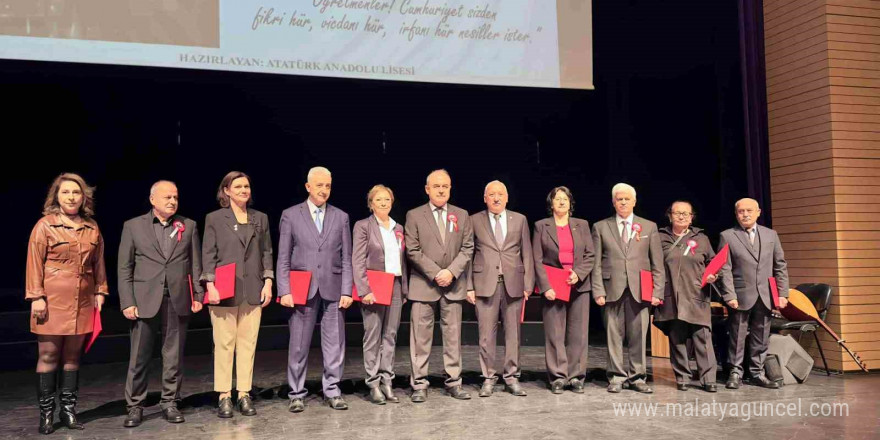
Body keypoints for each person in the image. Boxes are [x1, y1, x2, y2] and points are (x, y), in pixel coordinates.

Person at [26, 173, 109, 434]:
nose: (71, 197)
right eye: (66, 192)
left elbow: (99, 263)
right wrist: (36, 296)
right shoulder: (44, 226)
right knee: (49, 355)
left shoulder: (92, 227)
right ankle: (47, 414)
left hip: (82, 300)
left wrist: (100, 291)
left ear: (83, 197)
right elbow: (34, 263)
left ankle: (68, 410)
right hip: (50, 300)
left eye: (76, 192)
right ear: (57, 197)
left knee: (73, 357)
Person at [118, 180, 204, 427]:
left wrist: (198, 295)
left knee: (173, 355)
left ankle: (170, 402)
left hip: (177, 298)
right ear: (152, 199)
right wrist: (127, 301)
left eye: (175, 197)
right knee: (139, 356)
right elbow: (124, 268)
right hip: (144, 300)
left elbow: (194, 264)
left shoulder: (188, 226)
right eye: (167, 197)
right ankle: (135, 405)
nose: (172, 201)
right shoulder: (133, 226)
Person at [276, 166, 353, 412]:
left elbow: (347, 258)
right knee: (298, 343)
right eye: (319, 185)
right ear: (308, 187)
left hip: (333, 287)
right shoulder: (290, 215)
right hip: (302, 289)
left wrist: (347, 291)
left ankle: (333, 390)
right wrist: (284, 289)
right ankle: (296, 392)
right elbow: (283, 257)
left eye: (328, 186)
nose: (324, 190)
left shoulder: (340, 217)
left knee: (335, 343)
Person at [201, 172, 274, 417]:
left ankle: (244, 393)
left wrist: (268, 281)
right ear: (227, 191)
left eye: (247, 186)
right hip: (224, 290)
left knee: (247, 344)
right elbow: (208, 254)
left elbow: (267, 252)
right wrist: (209, 285)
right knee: (224, 344)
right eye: (238, 186)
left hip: (253, 289)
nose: (244, 190)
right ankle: (224, 395)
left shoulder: (260, 218)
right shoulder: (214, 218)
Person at [405, 169, 474, 402]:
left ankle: (454, 382)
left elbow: (467, 248)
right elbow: (412, 250)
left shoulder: (462, 215)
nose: (441, 190)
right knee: (420, 338)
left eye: (445, 186)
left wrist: (451, 272)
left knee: (453, 336)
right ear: (427, 189)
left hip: (453, 285)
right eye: (436, 186)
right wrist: (437, 273)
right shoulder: (414, 215)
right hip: (424, 284)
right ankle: (419, 384)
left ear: (450, 188)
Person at [591, 183, 664, 394]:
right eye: (619, 199)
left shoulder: (648, 227)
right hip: (611, 288)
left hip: (640, 290)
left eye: (626, 199)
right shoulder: (601, 227)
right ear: (613, 202)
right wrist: (598, 290)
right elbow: (596, 263)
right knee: (613, 335)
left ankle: (638, 376)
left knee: (639, 335)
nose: (623, 202)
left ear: (634, 201)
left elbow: (657, 263)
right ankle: (615, 376)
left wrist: (657, 292)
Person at [467, 180, 534, 397]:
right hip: (484, 284)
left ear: (506, 197)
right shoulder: (474, 220)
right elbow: (468, 255)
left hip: (513, 284)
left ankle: (512, 377)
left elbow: (527, 253)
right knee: (486, 335)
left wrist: (528, 284)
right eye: (492, 194)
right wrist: (468, 286)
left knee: (513, 334)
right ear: (485, 198)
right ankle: (488, 377)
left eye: (500, 194)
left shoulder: (520, 219)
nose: (496, 198)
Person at [718, 198, 789, 389]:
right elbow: (725, 268)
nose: (745, 214)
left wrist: (782, 293)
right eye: (741, 211)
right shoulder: (728, 236)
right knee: (737, 335)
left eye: (749, 210)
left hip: (765, 294)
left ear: (758, 212)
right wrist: (729, 295)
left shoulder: (771, 235)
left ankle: (757, 372)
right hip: (740, 295)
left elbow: (780, 265)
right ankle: (735, 372)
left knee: (761, 335)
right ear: (736, 214)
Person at [532, 186, 594, 394]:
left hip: (578, 285)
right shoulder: (541, 226)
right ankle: (558, 377)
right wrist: (545, 286)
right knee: (554, 333)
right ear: (551, 203)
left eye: (565, 199)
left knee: (578, 334)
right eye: (557, 199)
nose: (561, 202)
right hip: (553, 287)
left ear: (570, 203)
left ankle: (576, 376)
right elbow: (537, 259)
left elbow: (590, 255)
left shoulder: (582, 225)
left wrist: (578, 273)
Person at [652, 201, 719, 392]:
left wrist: (713, 274)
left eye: (686, 214)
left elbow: (713, 262)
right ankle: (682, 377)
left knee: (702, 338)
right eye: (677, 213)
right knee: (677, 338)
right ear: (670, 215)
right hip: (671, 295)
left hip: (697, 294)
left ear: (692, 217)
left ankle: (709, 379)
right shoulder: (660, 237)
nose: (681, 216)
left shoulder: (702, 239)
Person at [352, 185, 408, 405]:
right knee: (373, 336)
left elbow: (403, 261)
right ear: (371, 203)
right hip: (374, 286)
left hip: (394, 284)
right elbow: (357, 260)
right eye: (379, 200)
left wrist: (403, 288)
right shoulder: (363, 226)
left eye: (387, 200)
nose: (384, 203)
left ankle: (387, 380)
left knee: (390, 335)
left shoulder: (398, 227)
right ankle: (373, 383)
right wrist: (364, 289)